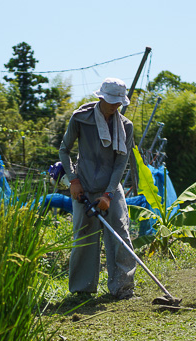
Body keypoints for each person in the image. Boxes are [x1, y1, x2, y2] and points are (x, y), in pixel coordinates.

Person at [58, 77, 137, 299]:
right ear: (100, 97)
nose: (115, 106)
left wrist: (109, 194)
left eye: (118, 103)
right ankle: (82, 289)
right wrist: (73, 180)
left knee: (120, 233)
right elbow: (64, 150)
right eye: (111, 101)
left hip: (111, 186)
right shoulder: (80, 119)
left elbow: (122, 162)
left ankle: (122, 287)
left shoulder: (125, 126)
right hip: (82, 185)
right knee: (84, 234)